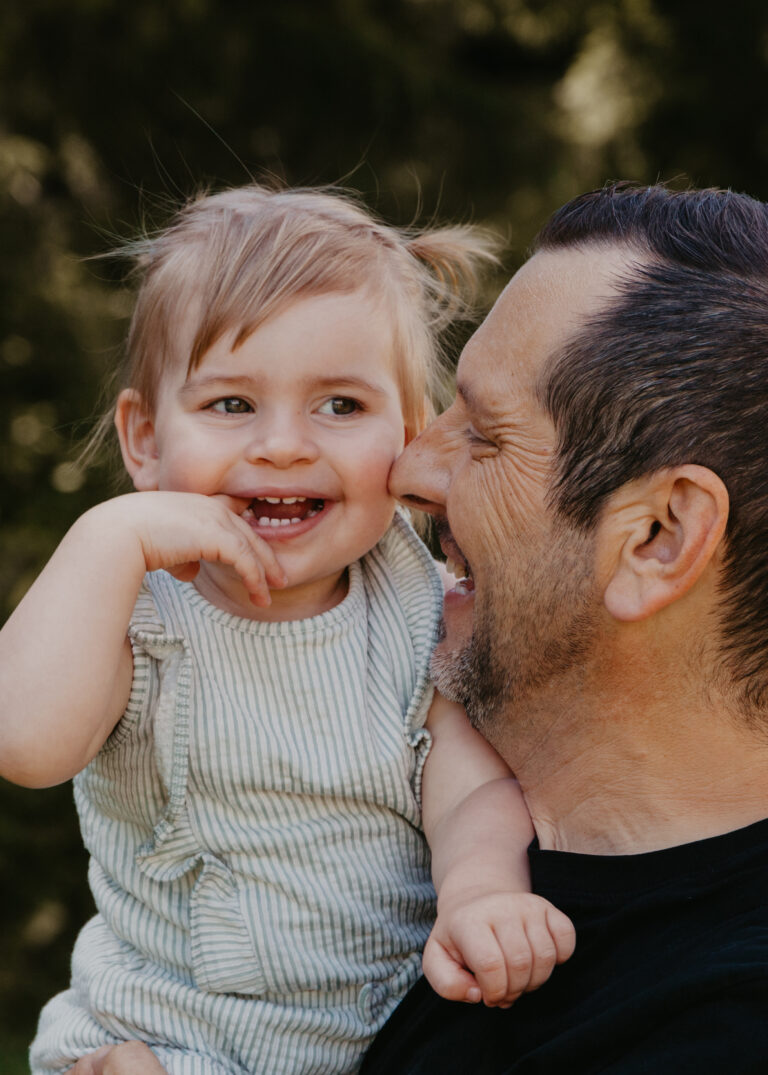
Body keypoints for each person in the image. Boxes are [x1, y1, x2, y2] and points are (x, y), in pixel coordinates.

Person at [0, 185, 575, 1075]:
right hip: (162, 1034)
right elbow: (26, 740)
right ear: (144, 439)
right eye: (232, 404)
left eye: (340, 406)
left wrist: (480, 889)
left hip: (382, 1041)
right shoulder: (135, 605)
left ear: (410, 438)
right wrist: (107, 535)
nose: (282, 445)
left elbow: (469, 790)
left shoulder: (418, 606)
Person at [358, 181, 768, 1072]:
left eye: (487, 437)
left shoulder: (727, 1025)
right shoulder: (412, 841)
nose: (406, 467)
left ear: (657, 538)